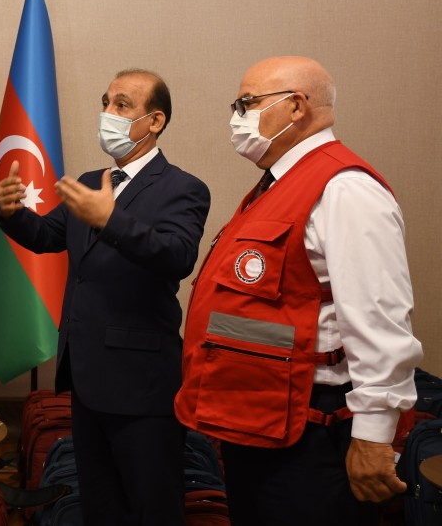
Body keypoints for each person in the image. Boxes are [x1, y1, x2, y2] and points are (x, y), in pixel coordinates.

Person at [175, 56, 422, 525]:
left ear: (295, 106)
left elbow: (380, 320)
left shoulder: (345, 189)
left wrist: (373, 436)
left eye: (247, 103)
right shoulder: (277, 186)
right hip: (259, 419)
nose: (237, 118)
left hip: (312, 432)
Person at [0, 69, 211, 525]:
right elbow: (46, 236)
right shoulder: (93, 181)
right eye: (106, 102)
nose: (108, 113)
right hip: (87, 378)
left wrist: (111, 220)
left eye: (122, 105)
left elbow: (176, 256)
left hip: (142, 386)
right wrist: (11, 213)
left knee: (152, 509)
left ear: (155, 121)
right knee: (100, 508)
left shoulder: (183, 188)